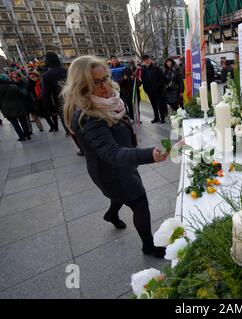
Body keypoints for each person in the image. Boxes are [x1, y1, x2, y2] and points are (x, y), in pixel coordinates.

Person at [63, 55, 171, 258]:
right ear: (82, 86)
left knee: (121, 195)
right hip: (110, 171)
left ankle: (111, 214)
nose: (105, 86)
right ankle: (148, 246)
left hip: (123, 164)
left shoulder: (108, 101)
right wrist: (150, 155)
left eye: (105, 78)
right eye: (96, 82)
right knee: (139, 203)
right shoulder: (88, 117)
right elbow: (111, 153)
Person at [0, 74, 31, 141]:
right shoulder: (13, 87)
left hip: (7, 110)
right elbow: (23, 95)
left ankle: (21, 137)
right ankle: (28, 135)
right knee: (23, 122)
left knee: (15, 124)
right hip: (19, 107)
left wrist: (3, 111)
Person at [141, 55, 166, 123]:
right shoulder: (143, 70)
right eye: (145, 60)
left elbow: (162, 79)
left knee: (160, 105)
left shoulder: (156, 68)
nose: (147, 61)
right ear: (143, 62)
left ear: (150, 60)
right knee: (153, 105)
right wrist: (145, 89)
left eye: (147, 59)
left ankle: (162, 118)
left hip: (158, 91)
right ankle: (156, 117)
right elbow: (143, 80)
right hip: (149, 91)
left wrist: (158, 87)